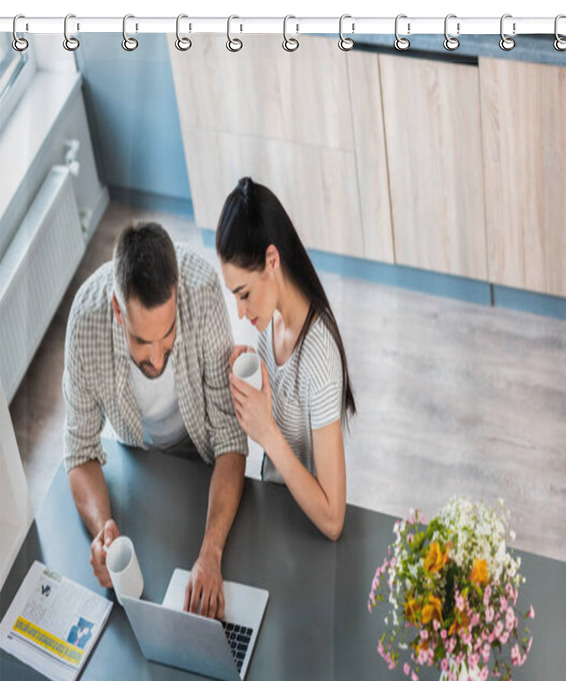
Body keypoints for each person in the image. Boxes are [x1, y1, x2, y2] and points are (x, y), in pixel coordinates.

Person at [63, 221, 248, 618]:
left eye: (167, 337)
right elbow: (79, 452)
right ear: (117, 310)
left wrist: (211, 552)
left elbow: (230, 441)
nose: (158, 359)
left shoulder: (201, 291)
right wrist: (103, 529)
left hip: (204, 460)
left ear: (177, 295)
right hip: (140, 464)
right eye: (142, 343)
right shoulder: (85, 321)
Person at [217, 178, 355, 541]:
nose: (240, 312)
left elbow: (332, 519)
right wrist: (254, 381)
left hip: (305, 528)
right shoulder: (272, 320)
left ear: (272, 260)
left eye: (243, 294)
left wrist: (268, 434)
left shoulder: (320, 358)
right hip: (273, 507)